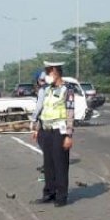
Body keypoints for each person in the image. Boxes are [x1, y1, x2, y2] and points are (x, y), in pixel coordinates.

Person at [31, 61, 74, 207]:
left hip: (59, 131)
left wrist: (69, 135)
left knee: (60, 164)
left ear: (55, 71)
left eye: (48, 71)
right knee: (48, 164)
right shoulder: (47, 89)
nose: (47, 75)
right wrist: (37, 129)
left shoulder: (67, 89)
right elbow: (43, 109)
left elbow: (70, 112)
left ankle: (61, 196)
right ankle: (49, 193)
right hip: (46, 129)